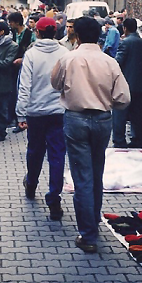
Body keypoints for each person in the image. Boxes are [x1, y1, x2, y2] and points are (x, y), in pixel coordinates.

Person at [51, 16, 130, 253]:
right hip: (103, 119)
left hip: (75, 119)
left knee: (83, 176)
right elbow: (124, 98)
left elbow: (55, 84)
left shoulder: (68, 58)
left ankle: (88, 234)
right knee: (96, 173)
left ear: (78, 36)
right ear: (99, 35)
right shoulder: (110, 62)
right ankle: (93, 221)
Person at [16, 17, 67, 221]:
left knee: (35, 150)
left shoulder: (31, 54)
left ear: (37, 32)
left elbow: (24, 86)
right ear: (55, 32)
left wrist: (21, 112)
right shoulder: (65, 53)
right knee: (57, 155)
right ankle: (54, 197)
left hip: (35, 112)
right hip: (58, 111)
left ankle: (32, 183)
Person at [113, 18, 142, 148]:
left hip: (126, 84)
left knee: (119, 114)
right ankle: (137, 140)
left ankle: (119, 140)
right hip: (139, 84)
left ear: (125, 28)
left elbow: (118, 62)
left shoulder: (125, 42)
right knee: (137, 115)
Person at [8, 11, 33, 133]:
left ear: (17, 22)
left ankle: (20, 120)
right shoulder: (11, 33)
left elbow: (32, 50)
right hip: (12, 69)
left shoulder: (29, 34)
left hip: (25, 67)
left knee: (21, 92)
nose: (10, 24)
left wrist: (23, 60)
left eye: (11, 22)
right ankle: (13, 118)